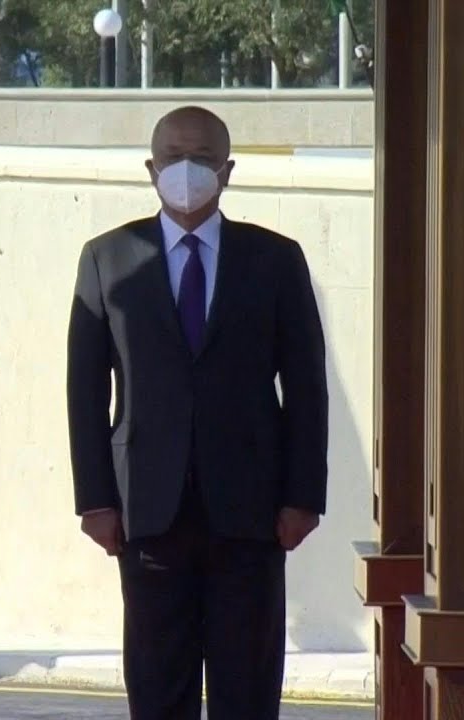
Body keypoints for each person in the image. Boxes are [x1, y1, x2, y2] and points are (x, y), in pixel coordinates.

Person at [66, 106, 328, 720]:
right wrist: (95, 500)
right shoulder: (108, 258)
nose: (189, 172)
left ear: (228, 170)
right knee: (158, 686)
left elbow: (307, 387)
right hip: (147, 512)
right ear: (151, 169)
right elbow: (84, 389)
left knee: (247, 686)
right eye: (175, 159)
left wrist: (303, 497)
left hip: (252, 513)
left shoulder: (275, 259)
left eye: (204, 160)